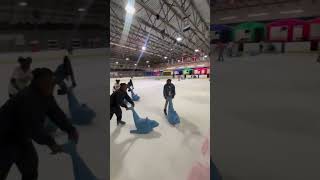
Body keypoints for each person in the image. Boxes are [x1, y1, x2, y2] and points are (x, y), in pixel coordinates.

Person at [0, 68, 79, 180]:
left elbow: (56, 113)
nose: (50, 86)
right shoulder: (27, 97)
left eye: (51, 82)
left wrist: (70, 129)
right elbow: (33, 127)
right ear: (37, 82)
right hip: (4, 139)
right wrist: (51, 143)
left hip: (22, 139)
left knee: (31, 168)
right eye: (46, 82)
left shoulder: (46, 95)